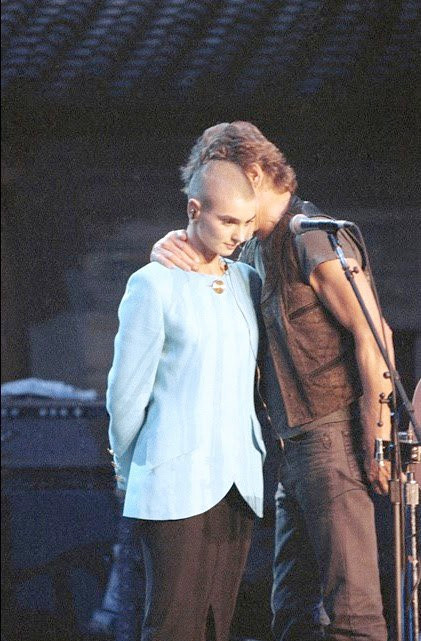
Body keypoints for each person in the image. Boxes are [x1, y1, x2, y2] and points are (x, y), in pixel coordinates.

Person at [150, 121, 394, 641]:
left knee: (352, 613)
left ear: (256, 173)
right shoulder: (258, 248)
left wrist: (379, 437)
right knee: (291, 611)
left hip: (335, 440)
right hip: (292, 449)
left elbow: (374, 335)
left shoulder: (312, 236)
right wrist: (172, 249)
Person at [106, 159, 266, 641]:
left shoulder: (248, 282)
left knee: (220, 621)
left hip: (239, 480)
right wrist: (127, 469)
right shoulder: (152, 284)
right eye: (227, 220)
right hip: (174, 476)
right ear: (194, 210)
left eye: (245, 222)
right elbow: (126, 391)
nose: (238, 234)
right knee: (174, 623)